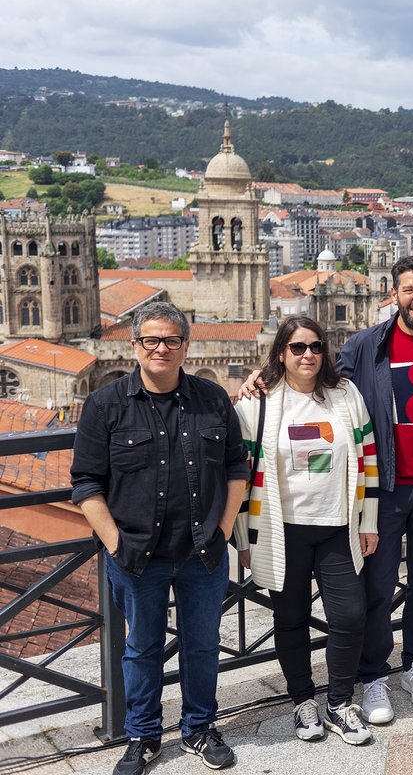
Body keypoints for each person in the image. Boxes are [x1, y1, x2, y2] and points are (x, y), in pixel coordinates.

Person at [239, 256, 413, 724]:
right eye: (408, 290)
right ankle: (373, 677)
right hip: (384, 489)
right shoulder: (367, 345)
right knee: (376, 589)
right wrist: (262, 377)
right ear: (394, 295)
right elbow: (310, 378)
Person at [71, 302, 247, 775]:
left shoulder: (212, 400)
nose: (161, 348)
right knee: (142, 648)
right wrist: (114, 542)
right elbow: (86, 482)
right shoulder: (106, 404)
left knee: (203, 645)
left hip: (202, 552)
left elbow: (236, 468)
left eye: (171, 340)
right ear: (135, 346)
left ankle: (199, 729)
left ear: (186, 346)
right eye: (151, 340)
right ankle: (142, 736)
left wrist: (225, 528)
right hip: (135, 555)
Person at [232, 317, 379, 744]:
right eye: (297, 348)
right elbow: (240, 476)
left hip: (337, 525)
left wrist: (367, 520)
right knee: (291, 618)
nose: (308, 355)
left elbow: (368, 460)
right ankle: (302, 701)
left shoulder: (345, 395)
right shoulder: (256, 404)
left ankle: (338, 702)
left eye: (315, 346)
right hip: (281, 529)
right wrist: (245, 537)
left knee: (351, 615)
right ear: (281, 353)